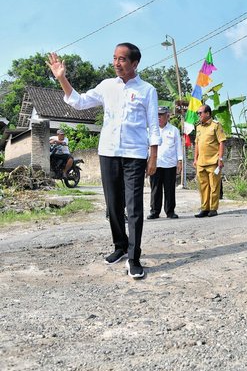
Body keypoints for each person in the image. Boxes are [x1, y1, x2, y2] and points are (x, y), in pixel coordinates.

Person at [46, 43, 161, 279]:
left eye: (122, 59)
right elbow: (78, 101)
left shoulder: (147, 90)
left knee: (134, 207)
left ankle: (134, 257)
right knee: (113, 205)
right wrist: (62, 78)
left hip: (135, 155)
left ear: (134, 63)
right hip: (108, 152)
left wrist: (153, 157)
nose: (116, 63)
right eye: (114, 58)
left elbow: (153, 126)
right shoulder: (107, 86)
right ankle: (120, 246)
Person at [147, 106, 183, 220]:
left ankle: (170, 211)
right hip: (155, 164)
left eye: (161, 115)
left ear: (167, 116)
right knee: (155, 189)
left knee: (169, 189)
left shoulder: (174, 130)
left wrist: (180, 161)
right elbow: (146, 147)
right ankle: (154, 211)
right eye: (157, 115)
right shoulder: (150, 130)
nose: (158, 117)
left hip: (170, 164)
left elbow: (178, 147)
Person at [193, 104, 226, 218]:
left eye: (200, 113)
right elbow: (197, 143)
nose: (199, 115)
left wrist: (220, 159)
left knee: (214, 186)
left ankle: (213, 208)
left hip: (213, 161)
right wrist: (195, 159)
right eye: (198, 113)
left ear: (207, 113)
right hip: (201, 162)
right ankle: (204, 208)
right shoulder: (198, 127)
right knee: (203, 187)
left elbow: (222, 142)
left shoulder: (216, 125)